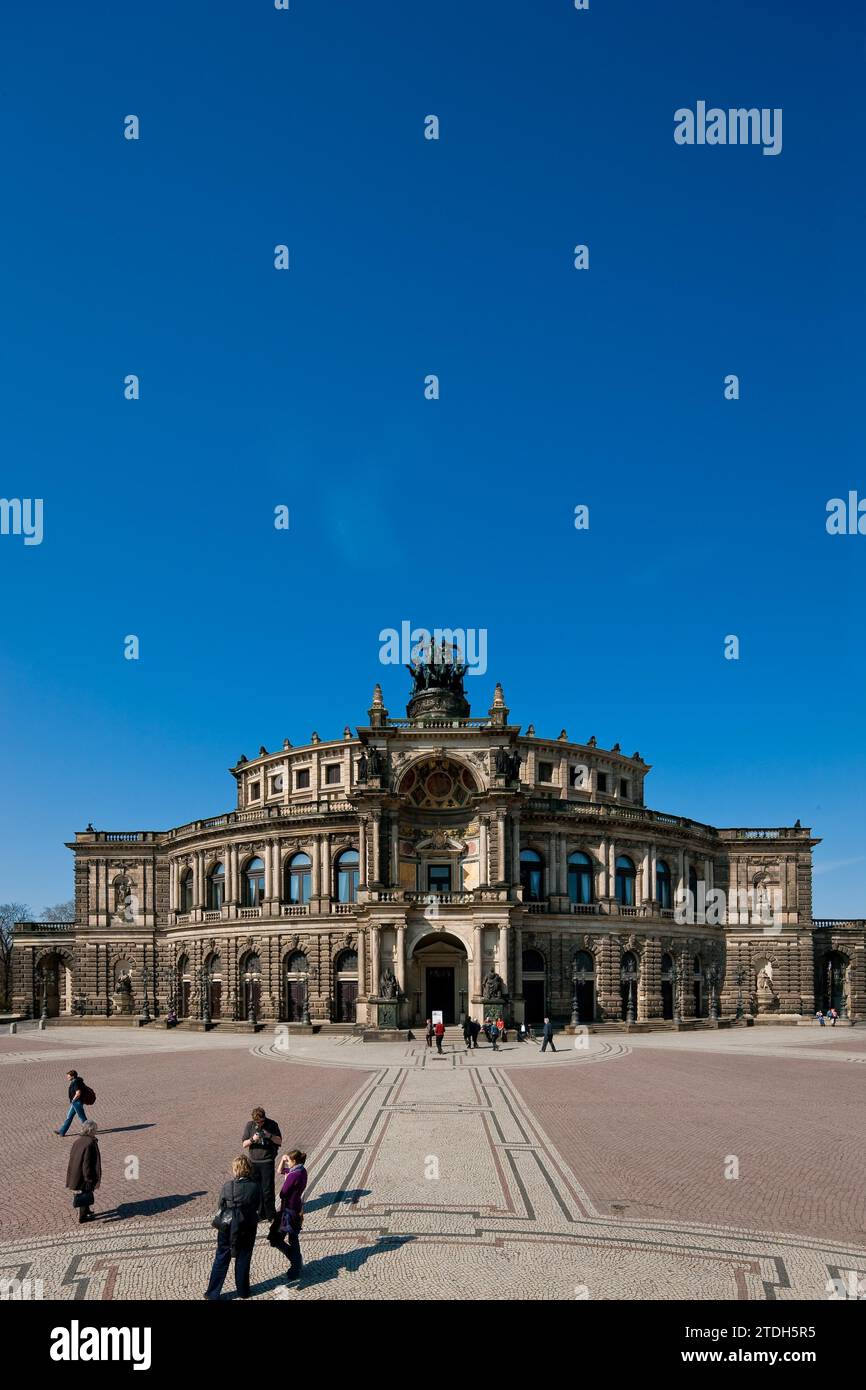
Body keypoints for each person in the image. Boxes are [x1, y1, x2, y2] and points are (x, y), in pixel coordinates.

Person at [204, 1155, 260, 1300]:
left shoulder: (227, 1186)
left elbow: (220, 1206)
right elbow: (257, 1206)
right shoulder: (255, 1187)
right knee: (244, 1258)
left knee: (221, 1256)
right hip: (246, 1226)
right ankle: (243, 1291)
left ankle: (213, 1293)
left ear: (236, 1169)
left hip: (227, 1226)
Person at [270, 1149, 308, 1284]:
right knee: (293, 1238)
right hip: (296, 1208)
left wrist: (287, 1179)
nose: (288, 1163)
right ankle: (296, 1263)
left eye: (289, 1161)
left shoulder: (293, 1175)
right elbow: (280, 1171)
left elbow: (282, 1193)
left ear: (294, 1161)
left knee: (275, 1238)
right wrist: (282, 1160)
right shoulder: (302, 1171)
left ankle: (295, 1261)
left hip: (288, 1210)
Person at [241, 1107, 282, 1221]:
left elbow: (279, 1141)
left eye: (262, 1121)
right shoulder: (250, 1125)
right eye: (257, 1122)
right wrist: (253, 1139)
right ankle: (260, 1213)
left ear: (264, 1117)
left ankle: (270, 1213)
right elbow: (244, 1144)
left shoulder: (272, 1124)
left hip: (267, 1161)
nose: (260, 1124)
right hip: (254, 1162)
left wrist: (269, 1136)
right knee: (256, 1189)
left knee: (268, 1189)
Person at [66, 1120, 101, 1223]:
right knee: (85, 1193)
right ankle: (83, 1217)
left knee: (85, 1192)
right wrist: (88, 1177)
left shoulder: (78, 1141)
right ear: (90, 1130)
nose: (96, 1131)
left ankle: (87, 1210)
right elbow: (87, 1162)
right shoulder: (90, 1143)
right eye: (95, 1129)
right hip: (84, 1174)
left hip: (76, 1171)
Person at [56, 1069, 89, 1136]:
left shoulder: (75, 1082)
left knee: (82, 1117)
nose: (67, 1078)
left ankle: (87, 1131)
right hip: (76, 1102)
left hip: (77, 1102)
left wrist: (73, 1100)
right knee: (69, 1117)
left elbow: (78, 1093)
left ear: (73, 1076)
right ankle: (62, 1131)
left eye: (68, 1076)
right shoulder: (78, 1081)